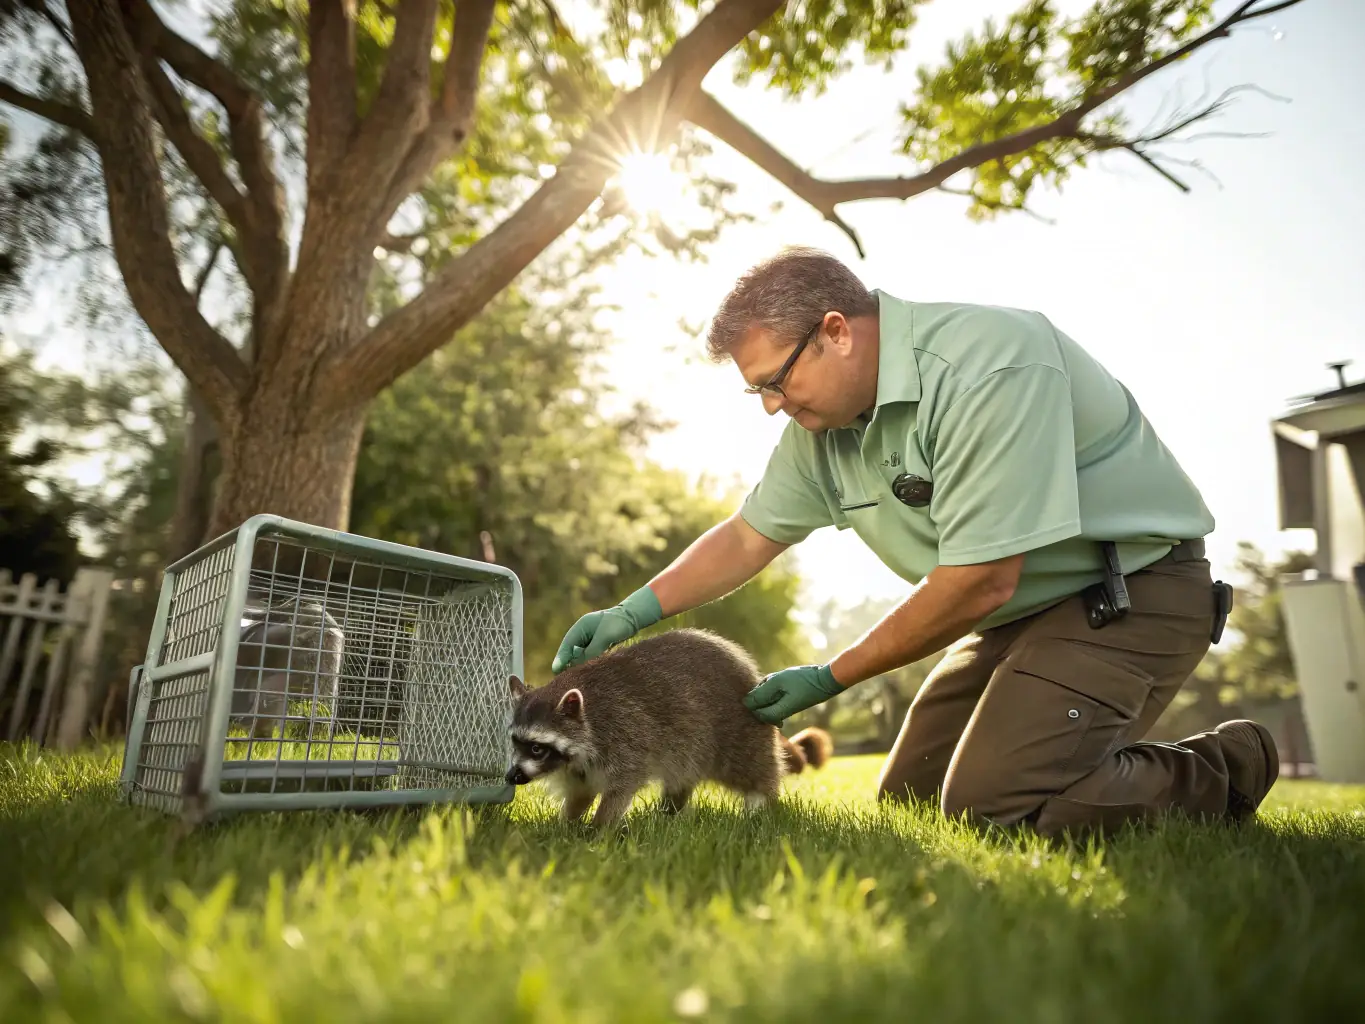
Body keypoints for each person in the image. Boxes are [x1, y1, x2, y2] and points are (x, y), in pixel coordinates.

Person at [550, 246, 1278, 838]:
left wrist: (830, 674)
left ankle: (1226, 768)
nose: (772, 405)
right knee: (909, 802)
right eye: (757, 393)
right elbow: (747, 537)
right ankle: (1066, 755)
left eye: (776, 380)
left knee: (989, 812)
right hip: (1012, 618)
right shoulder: (823, 426)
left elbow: (981, 578)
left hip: (1131, 594)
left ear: (836, 331)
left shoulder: (989, 365)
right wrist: (633, 612)